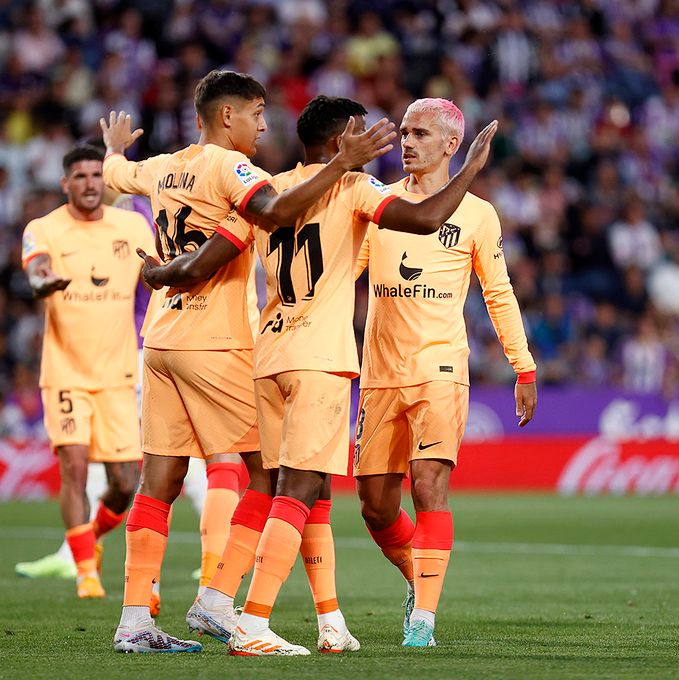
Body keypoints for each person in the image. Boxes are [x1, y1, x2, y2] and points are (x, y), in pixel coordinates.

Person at [132, 95, 499, 656]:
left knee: (280, 484)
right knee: (301, 490)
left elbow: (205, 260)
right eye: (362, 133)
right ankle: (252, 621)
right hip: (318, 358)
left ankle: (258, 604)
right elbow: (425, 219)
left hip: (267, 353)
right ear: (341, 140)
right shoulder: (351, 187)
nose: (379, 144)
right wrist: (471, 167)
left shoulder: (266, 190)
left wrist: (157, 273)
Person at [99, 69, 395, 654]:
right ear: (227, 115)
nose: (264, 125)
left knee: (159, 479)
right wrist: (341, 164)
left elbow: (119, 173)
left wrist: (111, 151)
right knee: (271, 474)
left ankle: (134, 620)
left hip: (158, 339)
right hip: (216, 342)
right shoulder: (231, 168)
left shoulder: (161, 167)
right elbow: (276, 212)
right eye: (257, 113)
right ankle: (219, 604)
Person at [354, 98, 538, 647]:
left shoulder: (478, 214)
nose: (406, 142)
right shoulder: (377, 203)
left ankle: (423, 621)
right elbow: (343, 274)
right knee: (375, 504)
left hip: (439, 366)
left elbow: (498, 293)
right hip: (379, 372)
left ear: (450, 145)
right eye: (404, 132)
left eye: (419, 133)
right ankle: (420, 575)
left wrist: (522, 367)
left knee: (429, 484)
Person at [20, 144, 153, 601]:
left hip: (119, 375)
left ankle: (90, 540)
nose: (91, 183)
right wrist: (44, 282)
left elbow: (158, 273)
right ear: (65, 184)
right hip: (66, 373)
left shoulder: (133, 226)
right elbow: (36, 270)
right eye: (80, 176)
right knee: (74, 467)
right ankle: (85, 574)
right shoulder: (45, 228)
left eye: (97, 175)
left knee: (122, 484)